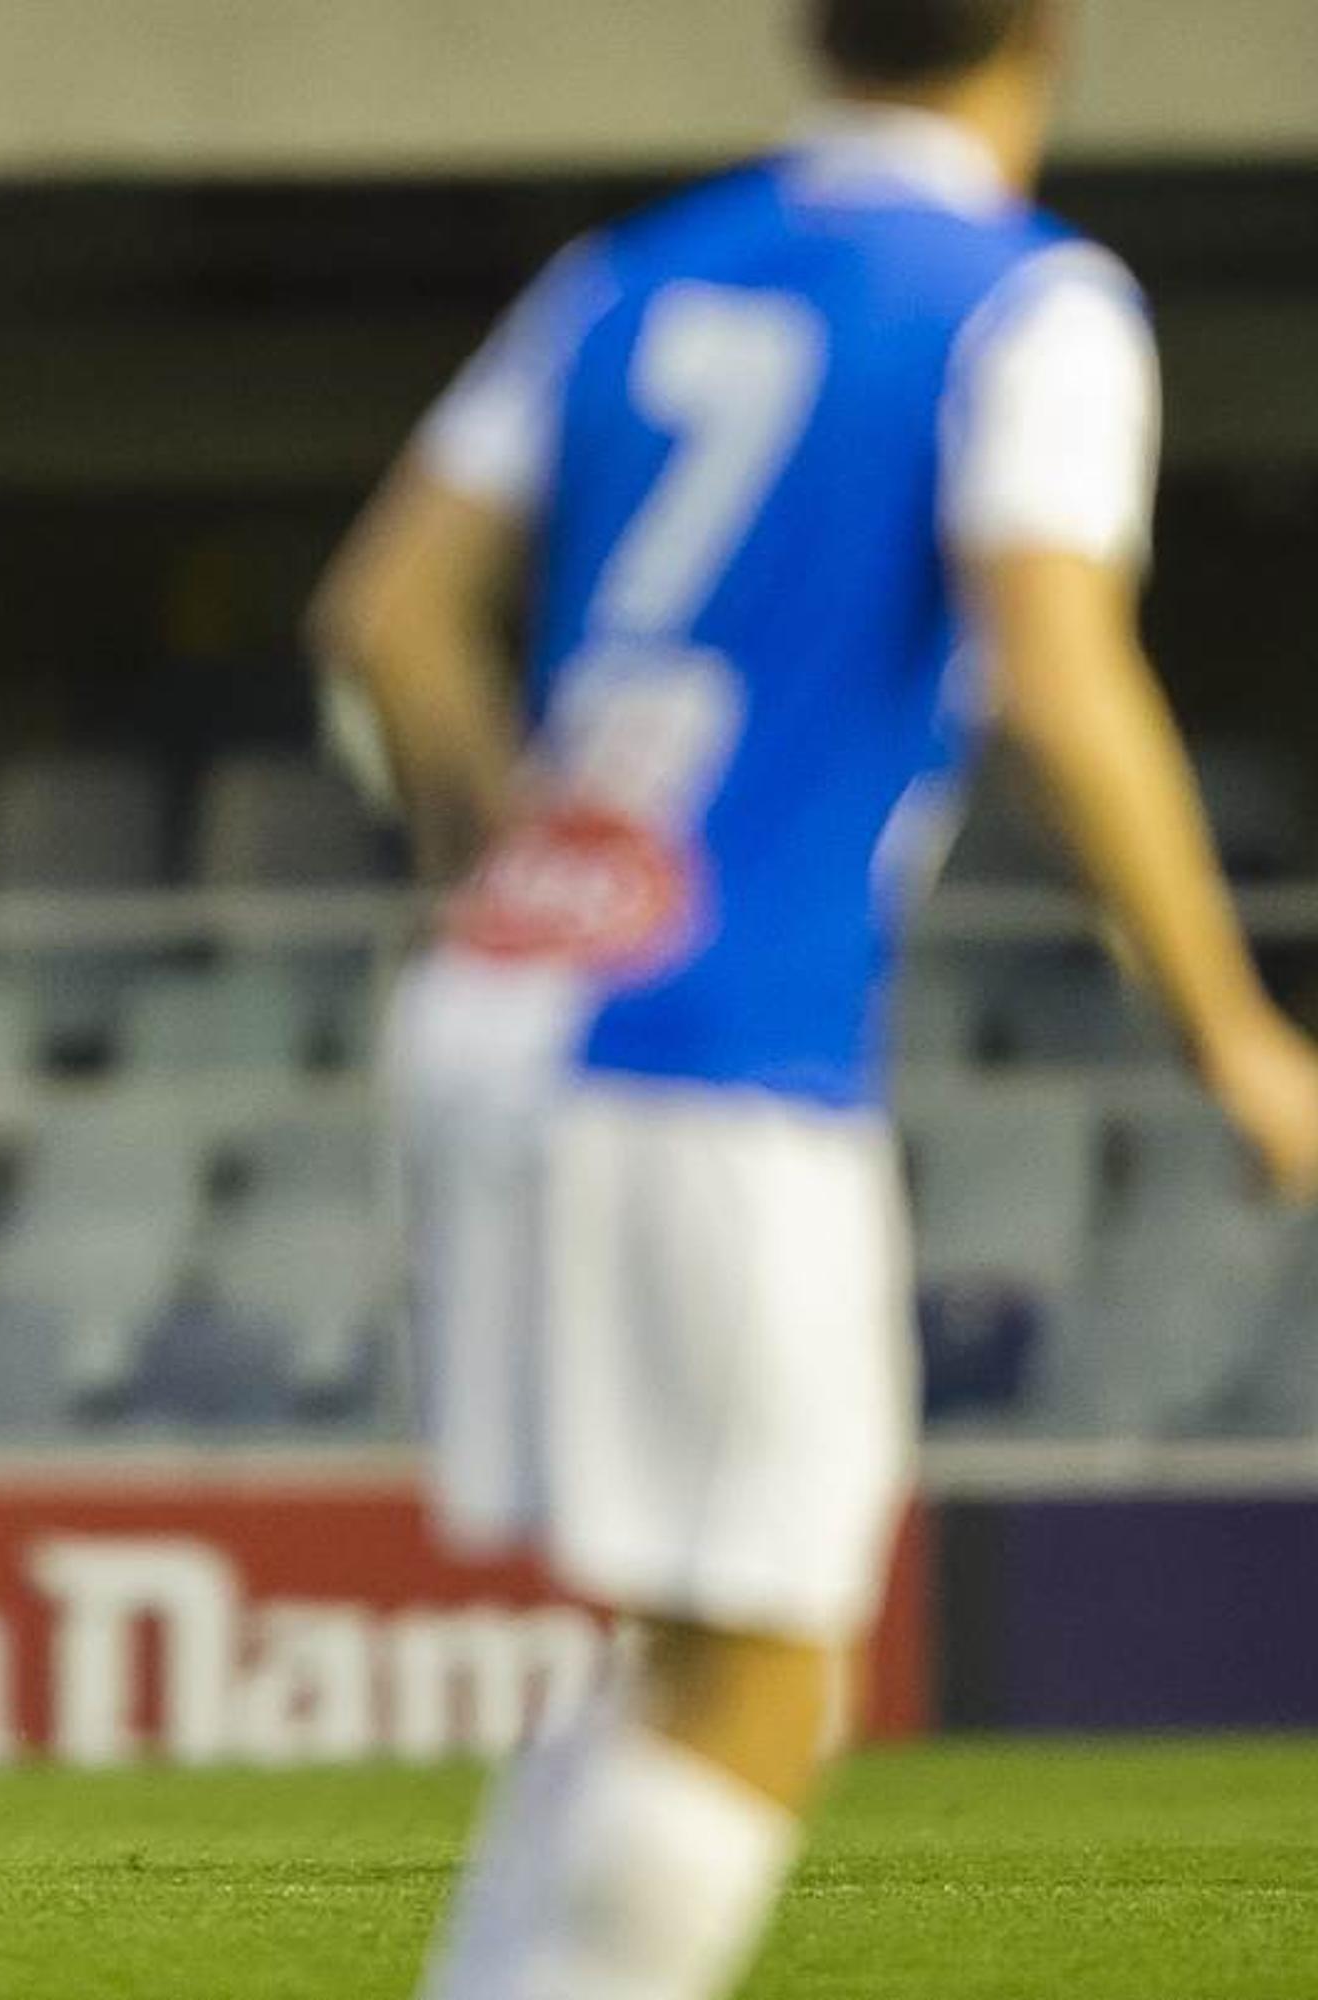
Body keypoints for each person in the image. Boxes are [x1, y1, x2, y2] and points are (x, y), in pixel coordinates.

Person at [309, 2, 1318, 1995]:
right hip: (717, 1039)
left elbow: (386, 610)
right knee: (770, 1661)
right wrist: (1235, 1028)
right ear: (1048, 33)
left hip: (513, 1011)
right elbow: (1048, 660)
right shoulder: (1027, 303)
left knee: (699, 1645)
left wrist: (530, 863)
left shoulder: (622, 274)